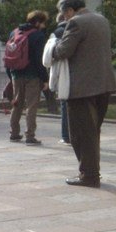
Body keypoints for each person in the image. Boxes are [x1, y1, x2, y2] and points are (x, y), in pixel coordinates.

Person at [52, 0, 116, 188]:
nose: (65, 19)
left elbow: (63, 51)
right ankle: (90, 173)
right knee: (92, 132)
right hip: (104, 84)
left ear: (70, 10)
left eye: (64, 15)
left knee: (80, 135)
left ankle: (89, 175)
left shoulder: (76, 23)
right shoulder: (101, 19)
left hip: (82, 87)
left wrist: (51, 48)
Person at [7, 10, 49, 145]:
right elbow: (38, 59)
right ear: (37, 22)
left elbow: (9, 53)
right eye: (43, 23)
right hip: (32, 75)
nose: (44, 26)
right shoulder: (38, 36)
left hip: (16, 73)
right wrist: (45, 78)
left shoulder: (14, 33)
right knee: (31, 106)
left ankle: (14, 133)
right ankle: (30, 136)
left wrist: (11, 74)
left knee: (17, 104)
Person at [43, 13, 71, 145]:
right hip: (78, 73)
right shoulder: (78, 31)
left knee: (65, 104)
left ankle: (66, 136)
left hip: (62, 73)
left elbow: (47, 58)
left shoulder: (56, 34)